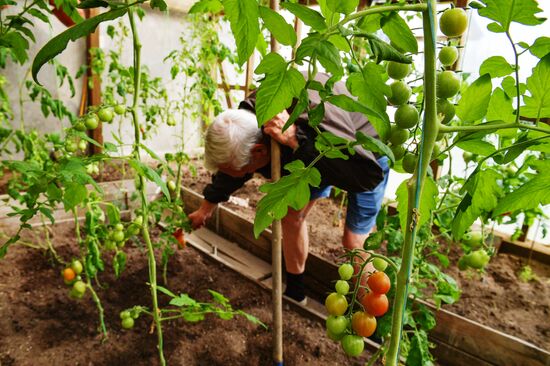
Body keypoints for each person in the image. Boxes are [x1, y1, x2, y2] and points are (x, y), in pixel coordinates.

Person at [188, 72, 390, 303]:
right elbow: (234, 169)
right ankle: (295, 292)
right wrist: (206, 207)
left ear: (259, 152)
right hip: (309, 151)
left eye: (231, 169)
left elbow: (364, 177)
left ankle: (370, 317)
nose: (235, 175)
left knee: (354, 241)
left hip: (362, 156)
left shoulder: (311, 114)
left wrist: (296, 139)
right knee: (291, 215)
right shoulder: (251, 119)